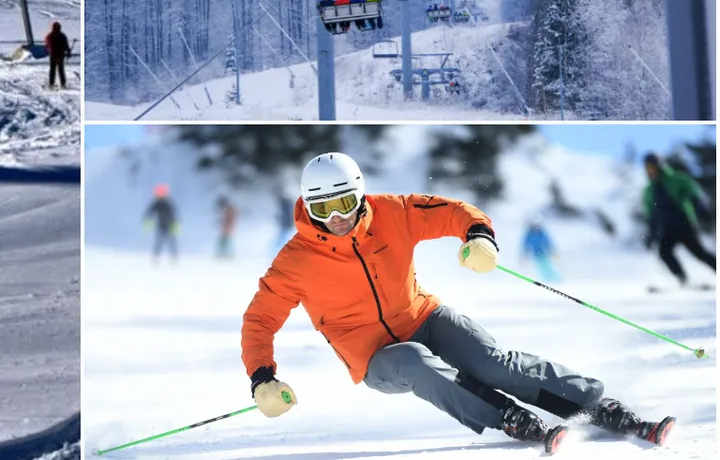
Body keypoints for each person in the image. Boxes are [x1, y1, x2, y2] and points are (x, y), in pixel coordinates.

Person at [241, 152, 673, 449]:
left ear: (359, 195)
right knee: (414, 361)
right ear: (308, 207)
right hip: (374, 355)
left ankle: (599, 407)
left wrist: (478, 237)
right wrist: (263, 377)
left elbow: (453, 211)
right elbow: (260, 320)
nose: (335, 218)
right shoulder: (296, 260)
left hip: (423, 315)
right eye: (323, 208)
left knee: (494, 362)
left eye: (344, 203)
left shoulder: (392, 213)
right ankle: (509, 417)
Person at [643, 153, 716, 287]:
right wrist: (651, 235)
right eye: (648, 167)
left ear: (659, 166)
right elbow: (652, 216)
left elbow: (693, 194)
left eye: (653, 166)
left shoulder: (676, 180)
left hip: (684, 224)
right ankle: (683, 279)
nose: (650, 170)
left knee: (698, 252)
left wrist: (701, 210)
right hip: (668, 228)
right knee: (664, 252)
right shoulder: (649, 190)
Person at [144, 184, 179, 264]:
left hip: (169, 225)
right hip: (161, 225)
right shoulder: (158, 203)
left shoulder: (167, 203)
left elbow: (173, 214)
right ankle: (157, 258)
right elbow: (149, 212)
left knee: (170, 242)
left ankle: (173, 258)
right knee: (160, 242)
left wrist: (174, 224)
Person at [44, 21, 72, 89]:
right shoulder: (62, 36)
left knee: (52, 69)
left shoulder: (49, 36)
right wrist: (68, 52)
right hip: (60, 55)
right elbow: (66, 45)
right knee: (61, 69)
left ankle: (51, 84)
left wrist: (48, 49)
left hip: (53, 55)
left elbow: (47, 45)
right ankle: (63, 84)